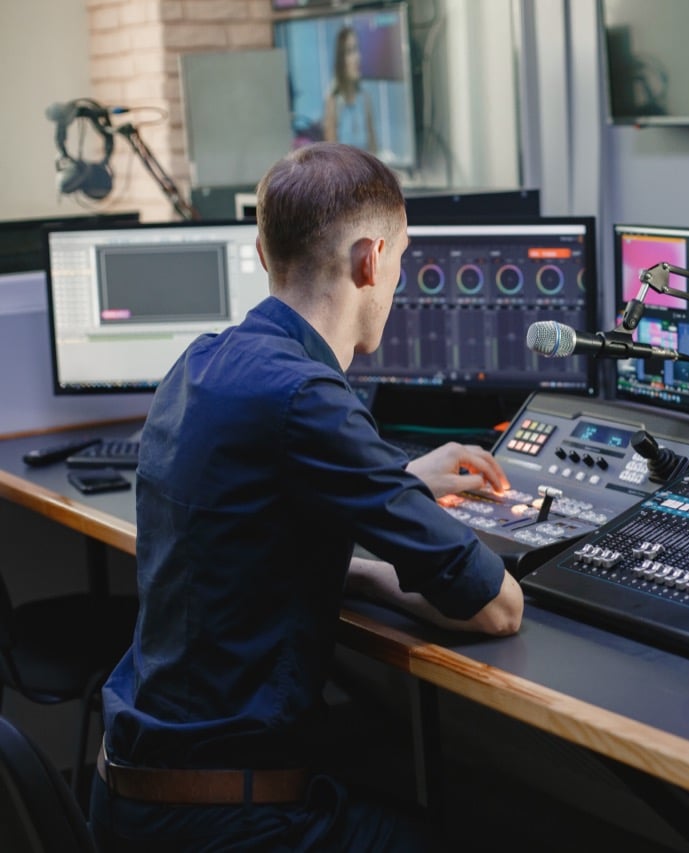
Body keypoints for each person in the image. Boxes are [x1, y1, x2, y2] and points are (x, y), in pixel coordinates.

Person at [89, 142, 523, 852]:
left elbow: (253, 534)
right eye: (401, 262)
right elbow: (496, 606)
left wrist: (398, 483)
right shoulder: (307, 398)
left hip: (128, 799)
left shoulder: (199, 363)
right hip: (227, 824)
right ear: (370, 261)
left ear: (262, 252)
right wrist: (403, 545)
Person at [323, 27, 378, 154]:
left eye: (357, 49)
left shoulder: (365, 97)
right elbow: (332, 156)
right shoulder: (332, 99)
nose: (357, 57)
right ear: (341, 58)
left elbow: (373, 146)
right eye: (350, 51)